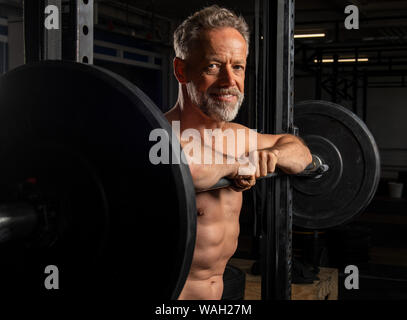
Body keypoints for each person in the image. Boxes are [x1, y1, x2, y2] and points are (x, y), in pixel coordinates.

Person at [165, 5, 312, 300]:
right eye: (213, 66)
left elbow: (300, 153)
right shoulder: (157, 133)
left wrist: (272, 157)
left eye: (238, 67)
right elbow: (182, 171)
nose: (229, 81)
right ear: (181, 70)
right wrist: (235, 167)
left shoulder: (238, 137)